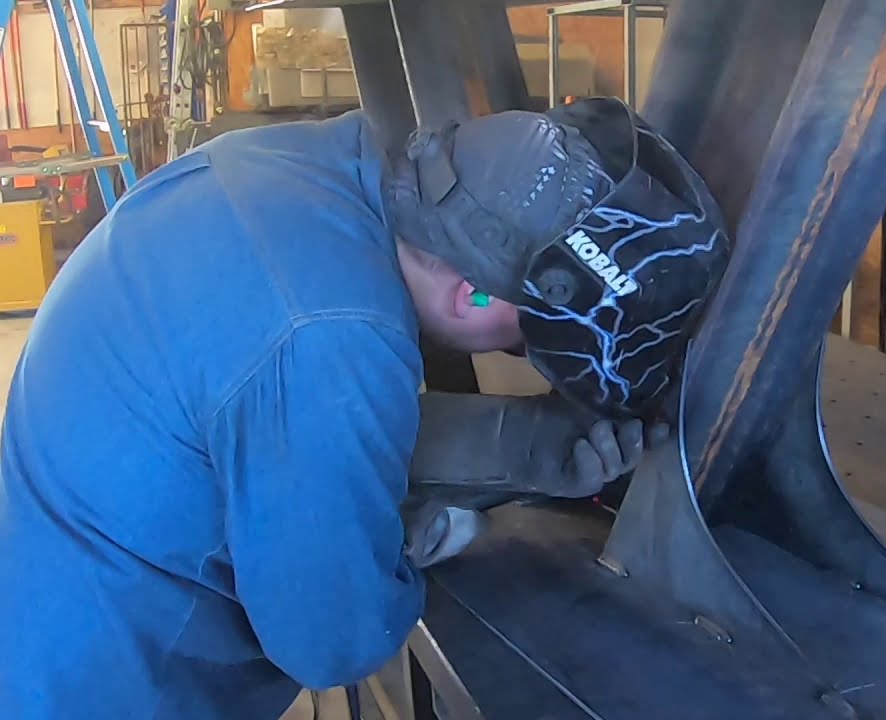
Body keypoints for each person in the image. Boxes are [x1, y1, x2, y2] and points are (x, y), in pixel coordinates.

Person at [0, 97, 729, 719]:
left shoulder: (308, 164)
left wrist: (519, 444)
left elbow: (259, 414)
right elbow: (331, 638)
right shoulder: (331, 334)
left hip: (47, 570)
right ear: (471, 293)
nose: (521, 355)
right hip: (103, 676)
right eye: (524, 336)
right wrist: (418, 537)